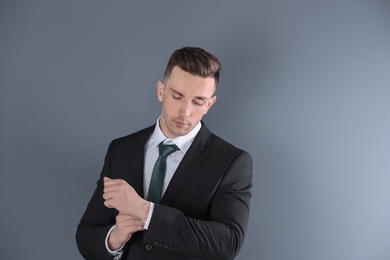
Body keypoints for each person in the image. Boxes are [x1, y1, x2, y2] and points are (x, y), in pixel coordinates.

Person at [76, 46, 253, 260]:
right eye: (177, 96)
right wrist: (115, 237)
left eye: (198, 101)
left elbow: (227, 243)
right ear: (161, 90)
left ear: (209, 104)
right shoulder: (121, 150)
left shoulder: (232, 162)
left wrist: (146, 211)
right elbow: (86, 234)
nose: (185, 112)